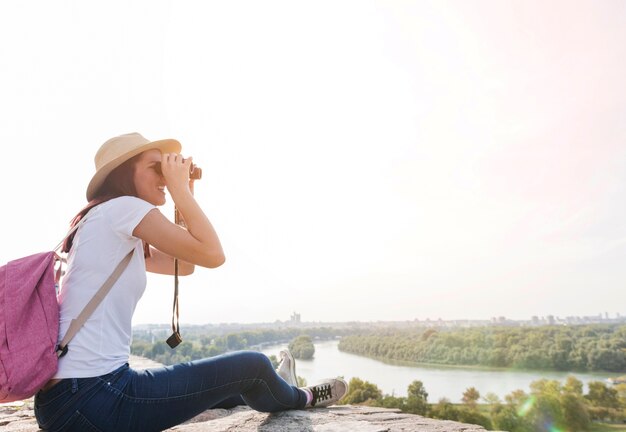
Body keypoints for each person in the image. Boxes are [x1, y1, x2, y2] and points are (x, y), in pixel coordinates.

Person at [34, 133, 348, 432]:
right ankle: (301, 396)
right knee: (252, 365)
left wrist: (185, 196)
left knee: (225, 389)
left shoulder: (101, 222)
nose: (164, 177)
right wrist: (180, 188)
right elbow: (212, 254)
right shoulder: (122, 209)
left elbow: (183, 265)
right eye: (156, 167)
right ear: (124, 175)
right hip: (95, 398)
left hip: (64, 403)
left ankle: (276, 384)